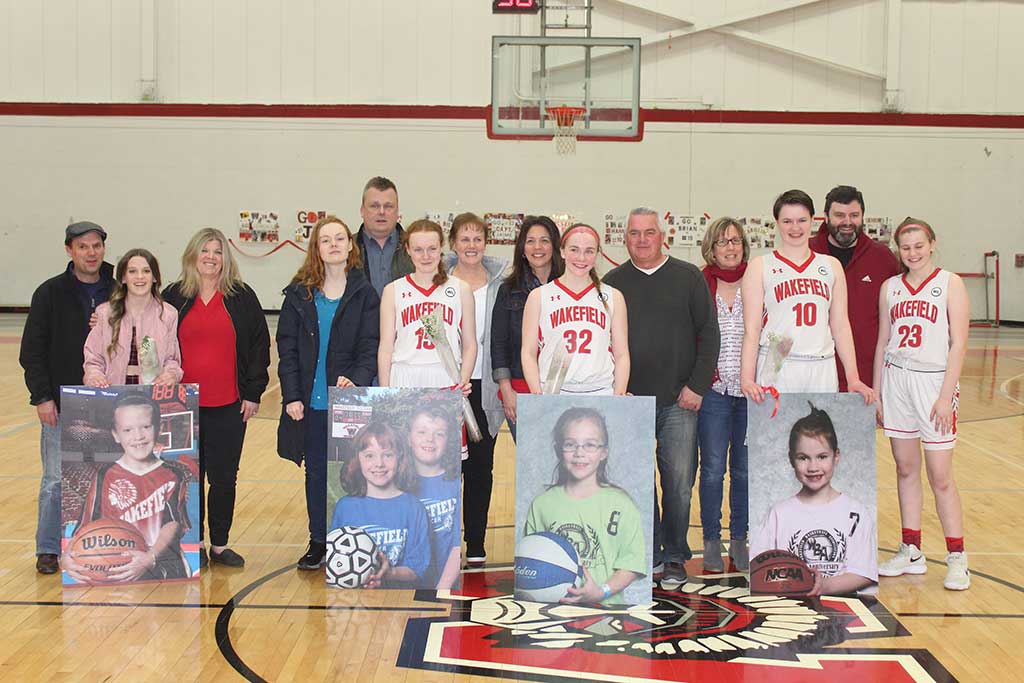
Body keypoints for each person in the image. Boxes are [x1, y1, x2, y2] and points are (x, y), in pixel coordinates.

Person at [604, 208, 719, 588]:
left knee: (679, 483)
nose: (641, 239)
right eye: (634, 233)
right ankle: (649, 552)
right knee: (637, 483)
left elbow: (710, 334)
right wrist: (616, 393)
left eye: (649, 232)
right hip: (631, 404)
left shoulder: (688, 277)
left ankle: (674, 555)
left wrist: (697, 386)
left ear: (662, 235)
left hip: (678, 401)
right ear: (625, 238)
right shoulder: (612, 284)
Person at [163, 228, 271, 568]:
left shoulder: (242, 297)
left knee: (224, 478)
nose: (211, 257)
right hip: (181, 404)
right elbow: (145, 327)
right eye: (205, 250)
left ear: (226, 258)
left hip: (229, 403)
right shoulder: (173, 296)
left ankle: (220, 545)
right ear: (192, 255)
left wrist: (253, 392)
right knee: (188, 478)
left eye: (218, 251)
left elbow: (259, 347)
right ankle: (193, 542)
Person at [277, 216, 380, 570]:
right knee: (316, 474)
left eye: (340, 238)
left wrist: (357, 378)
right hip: (312, 404)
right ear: (316, 248)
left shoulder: (365, 294)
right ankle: (318, 541)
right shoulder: (299, 294)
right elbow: (287, 349)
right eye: (326, 240)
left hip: (348, 403)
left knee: (352, 475)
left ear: (350, 245)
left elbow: (371, 345)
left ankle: (352, 540)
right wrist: (292, 395)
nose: (334, 245)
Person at [873, 218, 970, 590]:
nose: (912, 253)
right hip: (897, 379)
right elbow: (883, 341)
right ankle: (911, 550)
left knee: (940, 477)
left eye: (918, 245)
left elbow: (958, 344)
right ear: (898, 250)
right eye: (906, 247)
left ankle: (957, 558)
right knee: (905, 469)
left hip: (933, 382)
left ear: (932, 244)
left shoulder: (950, 283)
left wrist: (946, 396)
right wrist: (878, 392)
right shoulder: (890, 288)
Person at [20, 221, 115, 574]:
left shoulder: (119, 290)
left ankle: (103, 545)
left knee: (108, 476)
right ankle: (48, 548)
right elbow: (32, 352)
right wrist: (42, 397)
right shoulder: (49, 293)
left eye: (96, 246)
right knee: (56, 479)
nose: (91, 253)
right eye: (83, 247)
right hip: (62, 402)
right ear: (69, 250)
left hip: (109, 402)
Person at [740, 190, 872, 404]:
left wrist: (853, 378)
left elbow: (840, 325)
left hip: (821, 361)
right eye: (787, 221)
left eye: (802, 220)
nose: (795, 228)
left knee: (820, 426)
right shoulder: (760, 266)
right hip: (777, 358)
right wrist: (746, 378)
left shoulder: (831, 266)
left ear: (813, 220)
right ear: (777, 223)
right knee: (776, 425)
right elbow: (752, 329)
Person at [750, 403, 877, 595]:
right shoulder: (779, 514)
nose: (813, 467)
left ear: (836, 456)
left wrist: (824, 586)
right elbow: (757, 567)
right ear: (791, 459)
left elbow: (864, 572)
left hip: (843, 608)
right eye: (803, 458)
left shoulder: (855, 513)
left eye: (822, 457)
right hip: (790, 608)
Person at [63, 393, 192, 583]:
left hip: (163, 565)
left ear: (159, 428)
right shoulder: (104, 474)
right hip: (117, 568)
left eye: (146, 427)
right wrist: (68, 554)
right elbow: (85, 526)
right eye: (127, 430)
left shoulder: (173, 474)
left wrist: (149, 558)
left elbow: (173, 523)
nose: (138, 436)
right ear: (116, 434)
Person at [524, 407, 645, 605]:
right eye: (570, 444)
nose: (579, 453)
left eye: (590, 445)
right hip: (553, 612)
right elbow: (530, 560)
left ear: (603, 452)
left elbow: (631, 563)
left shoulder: (622, 504)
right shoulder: (541, 505)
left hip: (607, 612)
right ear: (558, 450)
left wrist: (601, 592)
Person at [442, 212, 507, 567]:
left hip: (485, 385)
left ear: (486, 243)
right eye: (464, 239)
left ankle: (476, 542)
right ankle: (445, 539)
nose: (471, 245)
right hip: (446, 383)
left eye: (478, 238)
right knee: (445, 467)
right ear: (453, 243)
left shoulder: (501, 282)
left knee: (481, 467)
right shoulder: (439, 280)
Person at [697, 217, 750, 573]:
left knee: (744, 471)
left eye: (735, 241)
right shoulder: (699, 284)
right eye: (722, 241)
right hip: (713, 392)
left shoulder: (759, 281)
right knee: (713, 470)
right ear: (711, 248)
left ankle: (740, 538)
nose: (730, 247)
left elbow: (777, 334)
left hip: (750, 392)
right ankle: (711, 539)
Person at [809, 185, 900, 391]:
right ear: (826, 217)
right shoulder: (807, 253)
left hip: (865, 379)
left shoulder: (882, 258)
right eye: (839, 215)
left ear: (862, 217)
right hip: (815, 376)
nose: (847, 222)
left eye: (854, 215)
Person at [522, 223, 629, 396]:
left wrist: (619, 393)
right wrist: (537, 394)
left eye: (589, 251)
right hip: (553, 391)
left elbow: (622, 354)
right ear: (562, 251)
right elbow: (528, 352)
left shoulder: (613, 297)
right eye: (574, 250)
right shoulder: (539, 296)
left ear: (597, 254)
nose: (581, 258)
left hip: (601, 391)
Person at [378, 219, 476, 393]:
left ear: (441, 247)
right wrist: (385, 391)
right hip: (404, 375)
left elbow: (470, 344)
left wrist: (463, 380)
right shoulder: (393, 290)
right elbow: (386, 347)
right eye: (418, 250)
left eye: (432, 249)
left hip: (445, 374)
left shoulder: (461, 289)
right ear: (408, 250)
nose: (426, 256)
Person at [330, 420, 431, 588]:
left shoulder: (413, 507)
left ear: (400, 458)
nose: (379, 463)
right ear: (357, 459)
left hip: (397, 598)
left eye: (388, 455)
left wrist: (389, 573)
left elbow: (417, 568)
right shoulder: (345, 507)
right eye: (369, 455)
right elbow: (335, 561)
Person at [491, 216, 564, 440]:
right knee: (530, 457)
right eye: (530, 241)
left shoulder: (569, 288)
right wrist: (506, 389)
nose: (537, 247)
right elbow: (499, 343)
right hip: (520, 389)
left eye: (544, 240)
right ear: (522, 249)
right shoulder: (508, 290)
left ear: (555, 246)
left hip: (564, 388)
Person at [83, 249, 182, 388]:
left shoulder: (168, 314)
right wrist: (95, 376)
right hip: (112, 393)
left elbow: (172, 360)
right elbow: (93, 360)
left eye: (146, 271)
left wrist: (171, 375)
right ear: (123, 278)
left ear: (154, 277)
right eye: (132, 271)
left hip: (152, 395)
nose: (140, 277)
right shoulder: (105, 313)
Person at [407, 405, 461, 589]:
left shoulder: (456, 484)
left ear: (448, 440)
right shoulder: (399, 485)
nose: (430, 439)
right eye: (422, 432)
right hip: (408, 589)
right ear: (408, 438)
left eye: (439, 434)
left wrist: (442, 589)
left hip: (446, 585)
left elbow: (457, 545)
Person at [354, 176, 414, 297]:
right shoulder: (347, 248)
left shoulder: (415, 247)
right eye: (374, 206)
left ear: (397, 211)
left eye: (388, 206)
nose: (381, 212)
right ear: (362, 210)